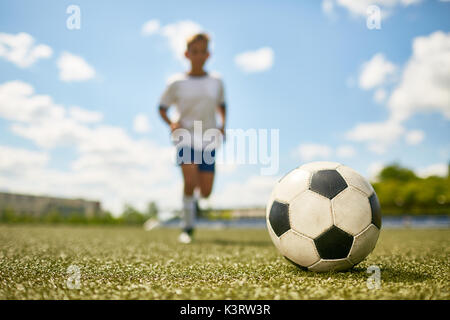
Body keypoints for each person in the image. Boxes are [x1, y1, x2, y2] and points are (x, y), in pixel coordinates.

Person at [158, 33, 226, 244]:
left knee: (205, 191)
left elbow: (222, 105)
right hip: (185, 136)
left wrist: (224, 126)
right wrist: (171, 123)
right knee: (189, 180)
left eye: (202, 51)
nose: (198, 55)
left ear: (208, 54)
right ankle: (187, 228)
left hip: (208, 137)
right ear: (187, 54)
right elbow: (162, 108)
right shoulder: (176, 82)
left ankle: (195, 202)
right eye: (194, 51)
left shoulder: (216, 81)